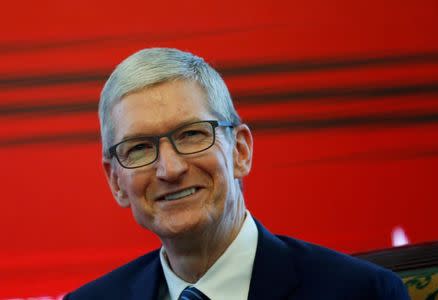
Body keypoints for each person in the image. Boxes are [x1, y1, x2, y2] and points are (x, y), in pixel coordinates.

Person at [64, 48, 410, 300]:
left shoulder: (362, 293)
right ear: (115, 182)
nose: (170, 169)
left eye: (191, 135)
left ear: (240, 151)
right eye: (139, 148)